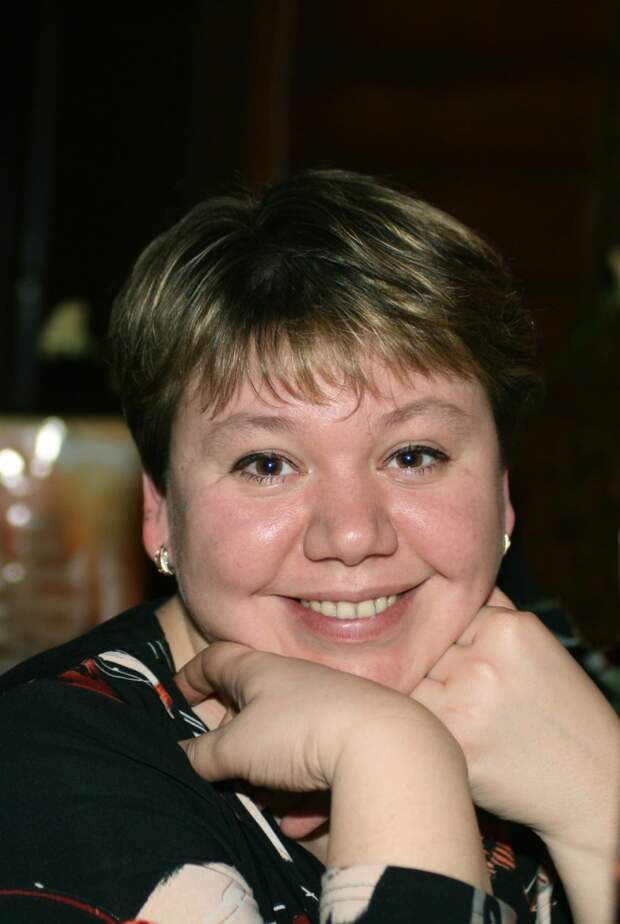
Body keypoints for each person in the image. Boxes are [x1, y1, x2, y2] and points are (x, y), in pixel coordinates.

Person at [0, 170, 617, 924]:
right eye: (267, 464)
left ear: (502, 492)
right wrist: (395, 759)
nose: (352, 535)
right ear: (160, 511)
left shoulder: (550, 714)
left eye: (414, 454)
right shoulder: (43, 779)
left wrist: (601, 805)